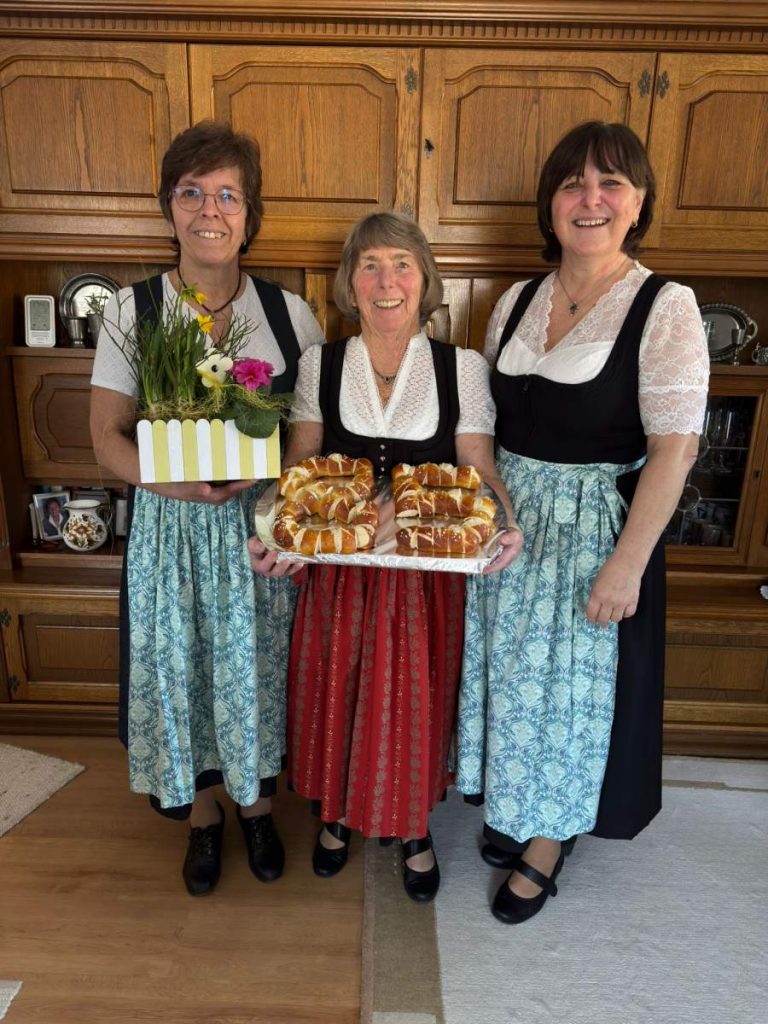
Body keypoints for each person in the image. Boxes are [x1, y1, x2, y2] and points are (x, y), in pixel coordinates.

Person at [456, 121, 709, 924]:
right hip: (508, 524)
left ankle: (549, 839)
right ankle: (519, 804)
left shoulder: (666, 307)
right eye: (573, 184)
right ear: (551, 203)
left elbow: (674, 450)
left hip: (592, 531)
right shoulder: (515, 303)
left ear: (638, 202)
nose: (590, 199)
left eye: (611, 183)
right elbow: (489, 427)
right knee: (510, 680)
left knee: (569, 697)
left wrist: (626, 564)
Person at [248, 212, 522, 902]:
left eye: (402, 264)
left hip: (425, 577)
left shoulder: (463, 368)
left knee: (411, 705)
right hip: (340, 571)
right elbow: (301, 462)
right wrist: (275, 531)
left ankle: (412, 829)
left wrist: (506, 522)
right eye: (369, 264)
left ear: (424, 279)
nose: (386, 280)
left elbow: (479, 466)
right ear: (350, 283)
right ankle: (336, 816)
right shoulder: (322, 363)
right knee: (337, 694)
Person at [90, 121, 324, 896]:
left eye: (227, 194)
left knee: (254, 671)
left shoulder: (290, 315)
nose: (209, 210)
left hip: (258, 533)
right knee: (183, 672)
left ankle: (255, 807)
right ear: (170, 207)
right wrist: (180, 485)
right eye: (192, 193)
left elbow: (309, 438)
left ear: (249, 215)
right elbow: (106, 440)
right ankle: (202, 817)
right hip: (171, 532)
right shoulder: (131, 311)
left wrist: (279, 506)